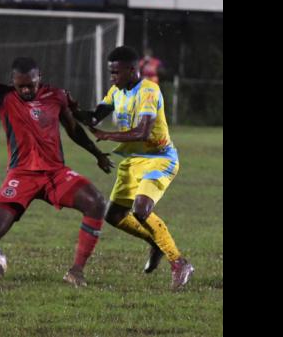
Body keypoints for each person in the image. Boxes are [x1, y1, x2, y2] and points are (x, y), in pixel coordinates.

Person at [0, 24, 114, 287]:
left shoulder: (56, 96)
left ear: (40, 78)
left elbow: (73, 130)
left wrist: (97, 154)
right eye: (21, 86)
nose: (26, 90)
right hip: (21, 174)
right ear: (14, 82)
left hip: (55, 174)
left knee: (96, 202)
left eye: (31, 85)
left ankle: (76, 271)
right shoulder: (3, 96)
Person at [72, 46, 194, 290]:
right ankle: (157, 242)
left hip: (159, 158)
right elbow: (94, 117)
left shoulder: (149, 90)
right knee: (114, 215)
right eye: (110, 73)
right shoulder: (116, 91)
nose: (112, 77)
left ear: (132, 69)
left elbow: (143, 131)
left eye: (116, 72)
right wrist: (68, 109)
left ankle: (179, 263)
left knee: (141, 209)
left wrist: (108, 135)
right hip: (132, 161)